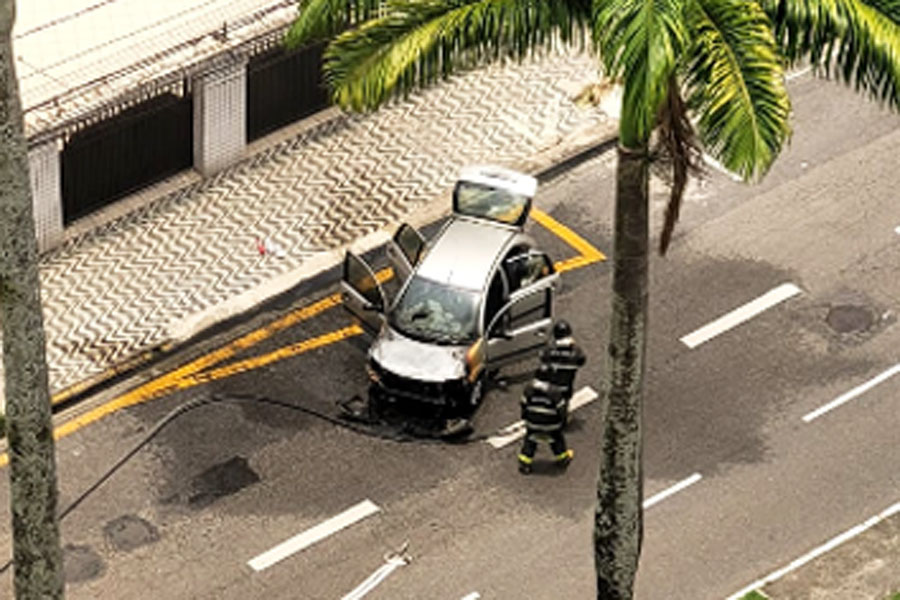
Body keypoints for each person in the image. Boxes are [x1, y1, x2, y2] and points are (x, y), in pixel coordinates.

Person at [517, 365, 573, 474]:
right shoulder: (554, 391)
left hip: (532, 423)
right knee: (557, 440)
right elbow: (561, 409)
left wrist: (525, 417)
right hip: (551, 424)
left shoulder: (529, 388)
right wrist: (563, 422)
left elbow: (523, 404)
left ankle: (524, 464)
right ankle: (562, 459)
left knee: (530, 441)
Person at [539, 319, 586, 414]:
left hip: (550, 387)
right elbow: (582, 361)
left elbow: (542, 357)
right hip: (566, 387)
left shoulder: (549, 350)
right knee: (563, 406)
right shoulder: (575, 351)